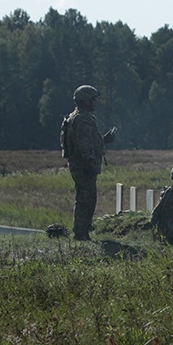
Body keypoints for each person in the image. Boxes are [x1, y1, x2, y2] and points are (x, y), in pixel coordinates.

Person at [61, 84, 116, 241]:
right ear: (85, 101)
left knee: (85, 198)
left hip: (80, 165)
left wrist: (105, 139)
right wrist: (91, 163)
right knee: (86, 200)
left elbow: (88, 142)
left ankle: (83, 231)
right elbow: (84, 145)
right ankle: (80, 233)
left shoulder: (76, 117)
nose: (95, 103)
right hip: (84, 166)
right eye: (93, 100)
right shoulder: (83, 119)